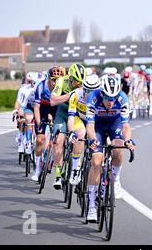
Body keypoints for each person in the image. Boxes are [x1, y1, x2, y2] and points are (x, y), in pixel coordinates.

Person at [86, 75, 135, 222]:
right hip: (97, 126)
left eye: (113, 98)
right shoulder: (92, 98)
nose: (111, 101)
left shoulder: (122, 98)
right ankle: (91, 206)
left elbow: (125, 125)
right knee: (96, 162)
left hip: (115, 124)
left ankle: (116, 177)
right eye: (108, 98)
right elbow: (89, 125)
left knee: (119, 147)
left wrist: (127, 140)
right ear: (102, 93)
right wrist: (93, 139)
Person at [49, 63, 87, 189]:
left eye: (81, 82)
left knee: (79, 136)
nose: (79, 85)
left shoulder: (83, 85)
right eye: (77, 82)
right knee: (58, 142)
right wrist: (70, 95)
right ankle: (58, 174)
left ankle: (77, 163)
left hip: (76, 114)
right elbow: (53, 101)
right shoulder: (61, 81)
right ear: (70, 77)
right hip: (62, 113)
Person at [31, 66, 65, 182]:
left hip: (57, 109)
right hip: (43, 109)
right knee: (40, 140)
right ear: (48, 78)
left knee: (60, 138)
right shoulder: (41, 86)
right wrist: (40, 124)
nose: (56, 82)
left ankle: (56, 161)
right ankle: (37, 169)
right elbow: (36, 107)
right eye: (54, 79)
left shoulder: (62, 87)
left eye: (59, 80)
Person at [67, 74, 101, 185]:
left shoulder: (102, 97)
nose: (89, 94)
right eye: (86, 90)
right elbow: (71, 117)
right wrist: (72, 132)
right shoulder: (76, 94)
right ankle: (75, 170)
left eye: (92, 91)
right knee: (80, 134)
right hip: (79, 118)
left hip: (94, 121)